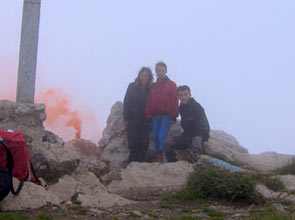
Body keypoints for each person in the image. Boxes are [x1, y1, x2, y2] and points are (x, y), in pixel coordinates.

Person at [145, 61, 178, 163]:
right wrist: (148, 115)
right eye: (158, 70)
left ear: (166, 71)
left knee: (161, 135)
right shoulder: (153, 86)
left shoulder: (171, 84)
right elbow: (149, 101)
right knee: (155, 135)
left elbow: (175, 100)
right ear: (156, 72)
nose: (160, 72)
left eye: (162, 70)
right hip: (155, 115)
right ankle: (159, 154)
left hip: (166, 114)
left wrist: (174, 115)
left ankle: (163, 154)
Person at [123, 67, 153, 162]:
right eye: (143, 75)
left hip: (145, 119)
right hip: (133, 119)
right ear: (139, 76)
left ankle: (141, 164)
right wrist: (126, 119)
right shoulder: (132, 86)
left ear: (149, 77)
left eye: (146, 76)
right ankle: (132, 164)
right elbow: (126, 102)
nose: (144, 77)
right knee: (132, 141)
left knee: (144, 142)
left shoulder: (151, 89)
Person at [167, 85, 210, 152]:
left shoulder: (196, 107)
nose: (183, 97)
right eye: (181, 95)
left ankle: (197, 161)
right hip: (187, 135)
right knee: (169, 143)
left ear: (190, 95)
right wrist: (173, 118)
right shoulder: (181, 108)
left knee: (196, 146)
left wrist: (205, 139)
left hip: (198, 134)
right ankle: (175, 161)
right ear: (178, 97)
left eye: (185, 94)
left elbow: (204, 123)